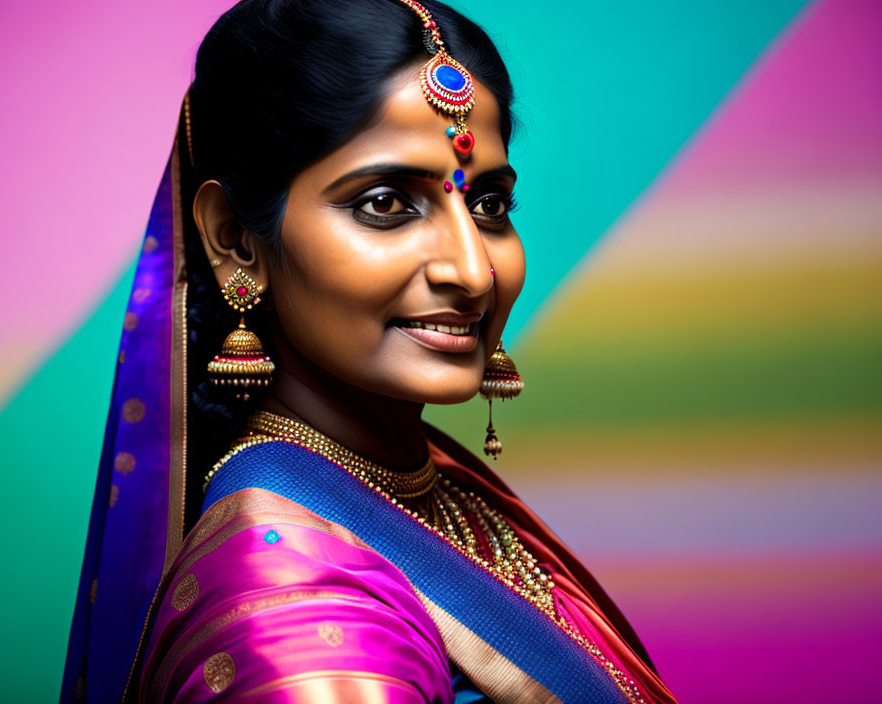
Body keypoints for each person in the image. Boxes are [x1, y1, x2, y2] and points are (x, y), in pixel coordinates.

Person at [61, 1, 678, 702]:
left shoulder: (428, 485)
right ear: (235, 240)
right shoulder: (291, 595)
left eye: (488, 206)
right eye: (386, 204)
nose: (473, 271)